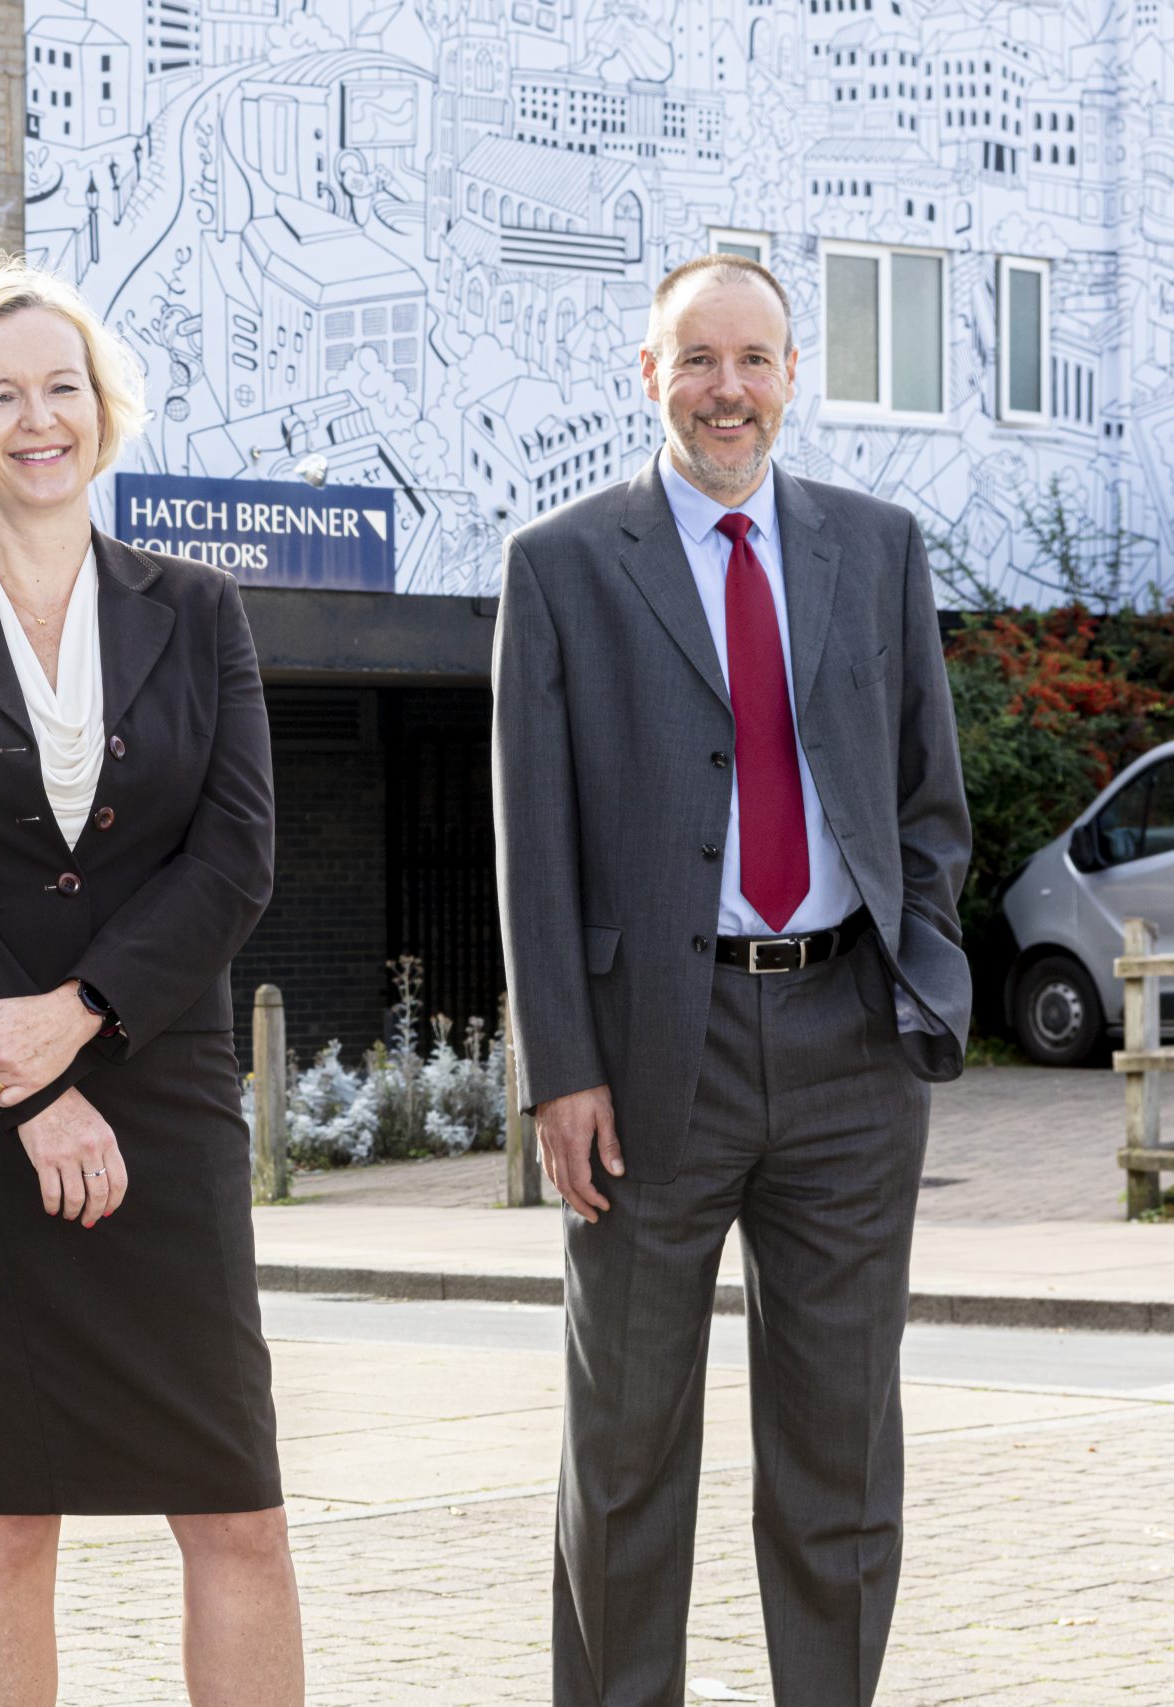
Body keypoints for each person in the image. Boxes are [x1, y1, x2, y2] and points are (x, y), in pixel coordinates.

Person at [492, 253, 971, 1707]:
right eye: (697, 360)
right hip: (647, 1064)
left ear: (789, 375)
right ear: (650, 375)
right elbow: (536, 842)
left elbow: (927, 804)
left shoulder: (876, 549)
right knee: (626, 1461)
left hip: (847, 1045)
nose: (728, 391)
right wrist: (558, 1067)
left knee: (840, 1459)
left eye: (754, 360)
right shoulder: (564, 565)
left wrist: (918, 992)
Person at [0, 261, 301, 1706]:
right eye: (1, 393)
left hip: (154, 1084)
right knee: (4, 1512)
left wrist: (82, 1024)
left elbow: (235, 854)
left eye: (64, 389)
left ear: (104, 412)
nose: (40, 420)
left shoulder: (202, 613)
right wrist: (28, 1088)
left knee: (235, 1510)